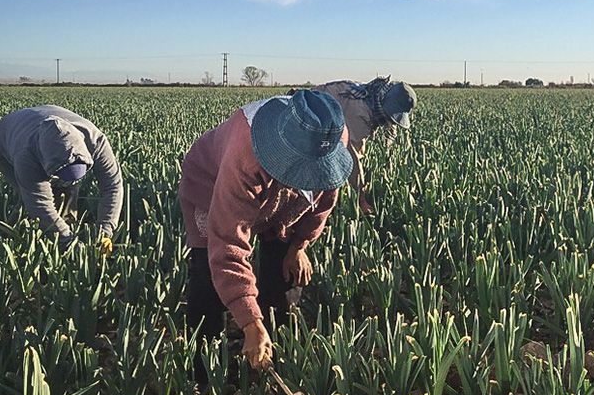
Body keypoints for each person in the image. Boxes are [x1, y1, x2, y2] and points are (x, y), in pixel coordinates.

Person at [178, 90, 352, 376]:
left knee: (283, 267)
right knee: (208, 274)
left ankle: (274, 348)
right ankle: (206, 371)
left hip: (279, 201)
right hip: (211, 185)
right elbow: (227, 244)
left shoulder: (330, 137)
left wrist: (299, 245)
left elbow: (323, 202)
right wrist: (249, 321)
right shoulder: (244, 153)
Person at [0, 105, 123, 253]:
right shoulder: (25, 157)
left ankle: (66, 223)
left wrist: (105, 231)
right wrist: (70, 245)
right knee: (28, 200)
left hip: (39, 120)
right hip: (5, 136)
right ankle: (16, 239)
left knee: (68, 192)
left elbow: (112, 187)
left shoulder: (96, 141)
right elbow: (40, 206)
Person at [294, 76, 416, 214]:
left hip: (305, 103)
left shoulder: (367, 93)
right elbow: (350, 155)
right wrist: (361, 197)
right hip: (303, 119)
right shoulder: (361, 112)